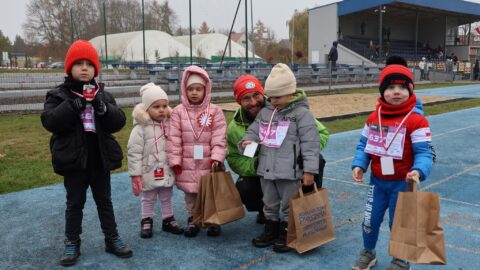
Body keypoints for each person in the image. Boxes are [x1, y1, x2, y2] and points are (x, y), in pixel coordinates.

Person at [40, 40, 132, 267]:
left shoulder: (103, 94)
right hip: (74, 162)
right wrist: (74, 106)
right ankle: (72, 241)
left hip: (99, 159)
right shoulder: (58, 95)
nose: (84, 68)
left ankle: (112, 238)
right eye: (79, 63)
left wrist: (102, 108)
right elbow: (50, 121)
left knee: (105, 201)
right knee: (74, 204)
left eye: (89, 64)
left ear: (95, 70)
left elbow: (118, 122)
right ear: (69, 68)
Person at [351, 56, 434, 270]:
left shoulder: (417, 120)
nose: (396, 91)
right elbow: (363, 145)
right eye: (390, 87)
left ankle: (400, 258)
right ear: (381, 91)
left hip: (403, 184)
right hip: (377, 182)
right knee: (370, 221)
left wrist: (418, 171)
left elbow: (425, 152)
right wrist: (359, 164)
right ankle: (368, 252)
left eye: (401, 87)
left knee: (400, 224)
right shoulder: (373, 118)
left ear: (410, 90)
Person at [239, 63, 321, 253]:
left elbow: (311, 143)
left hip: (290, 172)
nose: (273, 100)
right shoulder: (265, 112)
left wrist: (309, 171)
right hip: (267, 169)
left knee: (289, 204)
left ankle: (287, 231)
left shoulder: (301, 114)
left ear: (291, 92)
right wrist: (247, 141)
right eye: (270, 96)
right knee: (269, 202)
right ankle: (271, 229)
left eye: (278, 96)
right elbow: (253, 130)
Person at [227, 75, 329, 225]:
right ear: (239, 102)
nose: (254, 102)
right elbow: (235, 159)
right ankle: (266, 212)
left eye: (256, 95)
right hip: (262, 172)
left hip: (290, 166)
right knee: (244, 186)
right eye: (246, 98)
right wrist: (255, 165)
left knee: (316, 161)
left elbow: (321, 134)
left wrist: (297, 153)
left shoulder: (288, 108)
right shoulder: (234, 128)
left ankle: (305, 208)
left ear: (263, 94)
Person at [167, 65, 227, 238]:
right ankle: (193, 219)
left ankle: (212, 220)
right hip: (187, 162)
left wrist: (217, 157)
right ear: (185, 90)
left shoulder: (215, 111)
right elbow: (174, 139)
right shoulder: (178, 112)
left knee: (210, 193)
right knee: (191, 194)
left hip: (208, 162)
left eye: (198, 89)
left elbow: (219, 137)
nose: (194, 92)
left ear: (205, 89)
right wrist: (175, 161)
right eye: (190, 89)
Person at [127, 83, 184, 239]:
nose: (161, 110)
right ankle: (146, 220)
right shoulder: (140, 128)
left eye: (164, 106)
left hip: (166, 168)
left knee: (167, 195)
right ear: (146, 109)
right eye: (156, 106)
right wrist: (135, 175)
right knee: (148, 197)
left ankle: (168, 219)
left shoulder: (171, 125)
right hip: (148, 170)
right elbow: (134, 152)